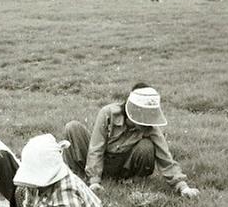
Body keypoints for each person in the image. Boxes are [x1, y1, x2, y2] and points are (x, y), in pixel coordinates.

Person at [63, 83, 200, 198]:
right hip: (102, 159)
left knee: (146, 146)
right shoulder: (108, 113)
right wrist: (94, 181)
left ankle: (132, 181)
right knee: (72, 127)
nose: (147, 123)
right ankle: (76, 178)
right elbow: (96, 149)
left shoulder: (150, 128)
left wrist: (183, 187)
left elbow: (165, 156)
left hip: (123, 166)